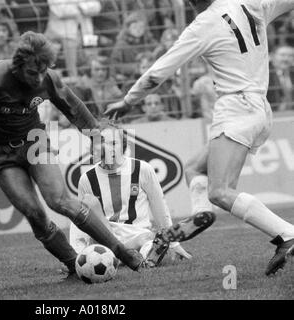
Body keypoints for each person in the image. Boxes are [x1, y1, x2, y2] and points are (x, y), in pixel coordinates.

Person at [105, 0, 294, 276]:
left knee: (220, 191)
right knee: (194, 167)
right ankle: (200, 214)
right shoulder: (249, 3)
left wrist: (128, 100)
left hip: (235, 107)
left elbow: (161, 70)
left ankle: (288, 234)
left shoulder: (204, 24)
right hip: (260, 107)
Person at [0, 31, 146, 278]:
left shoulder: (48, 78)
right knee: (34, 213)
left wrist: (96, 138)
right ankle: (74, 265)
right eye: (31, 73)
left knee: (60, 201)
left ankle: (121, 251)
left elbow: (73, 106)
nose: (38, 79)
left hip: (33, 141)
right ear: (17, 68)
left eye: (42, 71)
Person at [69, 123, 212, 266]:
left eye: (114, 143)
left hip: (136, 235)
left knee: (147, 239)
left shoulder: (142, 169)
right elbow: (80, 220)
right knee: (85, 204)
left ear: (123, 146)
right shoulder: (87, 179)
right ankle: (127, 256)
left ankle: (148, 256)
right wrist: (76, 255)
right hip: (105, 238)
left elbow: (159, 207)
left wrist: (174, 244)